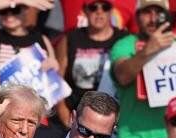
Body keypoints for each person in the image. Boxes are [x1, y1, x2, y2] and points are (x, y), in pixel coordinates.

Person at [109, 0, 175, 138]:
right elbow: (123, 76)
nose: (153, 19)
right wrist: (148, 50)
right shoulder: (124, 45)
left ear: (167, 17)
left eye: (158, 13)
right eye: (147, 12)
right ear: (137, 17)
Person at [54, 0, 127, 128]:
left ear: (111, 11)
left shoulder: (124, 39)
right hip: (76, 118)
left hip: (114, 121)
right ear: (85, 11)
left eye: (105, 7)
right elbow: (57, 80)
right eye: (93, 7)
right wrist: (65, 117)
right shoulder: (71, 38)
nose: (99, 12)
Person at [0, 0, 58, 75]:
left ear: (25, 10)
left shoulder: (41, 38)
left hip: (34, 92)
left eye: (15, 10)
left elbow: (55, 75)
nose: (9, 16)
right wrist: (19, 1)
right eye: (3, 11)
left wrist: (53, 66)